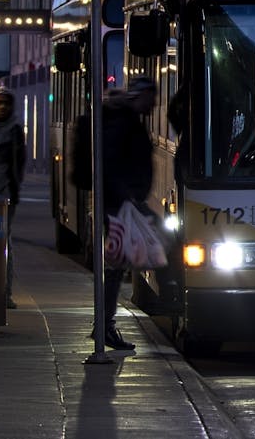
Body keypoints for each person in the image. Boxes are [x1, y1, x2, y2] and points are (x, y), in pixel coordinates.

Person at [93, 76, 156, 351]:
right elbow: (111, 162)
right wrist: (127, 197)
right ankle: (104, 327)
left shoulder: (129, 119)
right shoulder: (124, 122)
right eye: (152, 98)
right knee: (115, 266)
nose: (154, 104)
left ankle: (104, 326)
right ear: (140, 97)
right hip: (119, 205)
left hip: (122, 202)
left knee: (117, 267)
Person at [0, 88, 26, 308]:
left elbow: (18, 164)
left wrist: (14, 187)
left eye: (6, 103)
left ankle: (5, 291)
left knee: (4, 243)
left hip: (5, 197)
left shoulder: (14, 131)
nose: (2, 107)